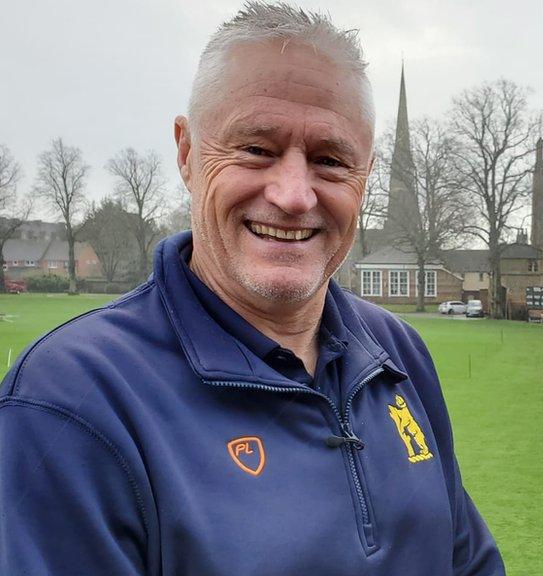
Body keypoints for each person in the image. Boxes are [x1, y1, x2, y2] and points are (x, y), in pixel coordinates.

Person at [0, 3, 504, 575]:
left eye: (330, 160)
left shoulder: (398, 353)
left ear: (365, 176)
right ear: (187, 153)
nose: (294, 195)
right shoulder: (71, 399)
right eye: (257, 149)